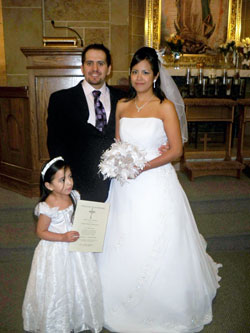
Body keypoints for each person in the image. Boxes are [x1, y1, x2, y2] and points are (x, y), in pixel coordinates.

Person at [96, 47, 222, 332]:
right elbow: (118, 143)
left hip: (154, 180)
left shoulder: (164, 107)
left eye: (145, 72)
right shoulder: (122, 106)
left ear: (155, 76)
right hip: (125, 185)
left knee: (156, 236)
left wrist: (144, 166)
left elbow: (176, 150)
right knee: (122, 235)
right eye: (135, 71)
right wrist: (120, 163)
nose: (139, 77)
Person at [22, 156, 103, 333]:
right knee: (58, 286)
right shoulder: (48, 205)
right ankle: (57, 321)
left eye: (70, 177)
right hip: (56, 249)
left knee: (78, 282)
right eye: (62, 179)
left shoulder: (74, 196)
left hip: (75, 247)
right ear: (49, 185)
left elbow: (78, 218)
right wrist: (62, 237)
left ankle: (79, 315)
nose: (69, 183)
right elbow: (41, 232)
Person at [47, 44, 126, 202]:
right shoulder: (61, 100)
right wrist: (63, 180)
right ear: (82, 68)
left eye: (101, 63)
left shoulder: (124, 99)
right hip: (79, 183)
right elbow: (55, 143)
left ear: (109, 69)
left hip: (118, 182)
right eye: (89, 63)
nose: (95, 68)